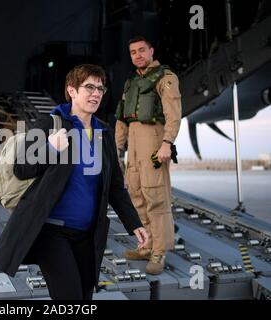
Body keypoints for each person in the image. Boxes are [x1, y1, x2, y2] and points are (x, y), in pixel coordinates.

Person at [0, 64, 148, 300]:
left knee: (84, 297)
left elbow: (115, 186)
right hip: (52, 233)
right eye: (89, 87)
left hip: (88, 235)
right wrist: (51, 148)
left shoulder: (103, 133)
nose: (96, 93)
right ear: (72, 90)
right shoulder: (49, 124)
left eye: (100, 88)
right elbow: (22, 168)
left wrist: (134, 223)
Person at [115, 36, 182, 275]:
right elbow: (122, 119)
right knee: (136, 195)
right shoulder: (131, 83)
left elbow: (173, 114)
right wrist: (117, 149)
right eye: (133, 52)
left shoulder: (165, 78)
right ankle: (146, 244)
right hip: (133, 141)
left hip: (153, 140)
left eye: (142, 50)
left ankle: (159, 252)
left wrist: (167, 143)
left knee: (156, 198)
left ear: (151, 50)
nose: (138, 55)